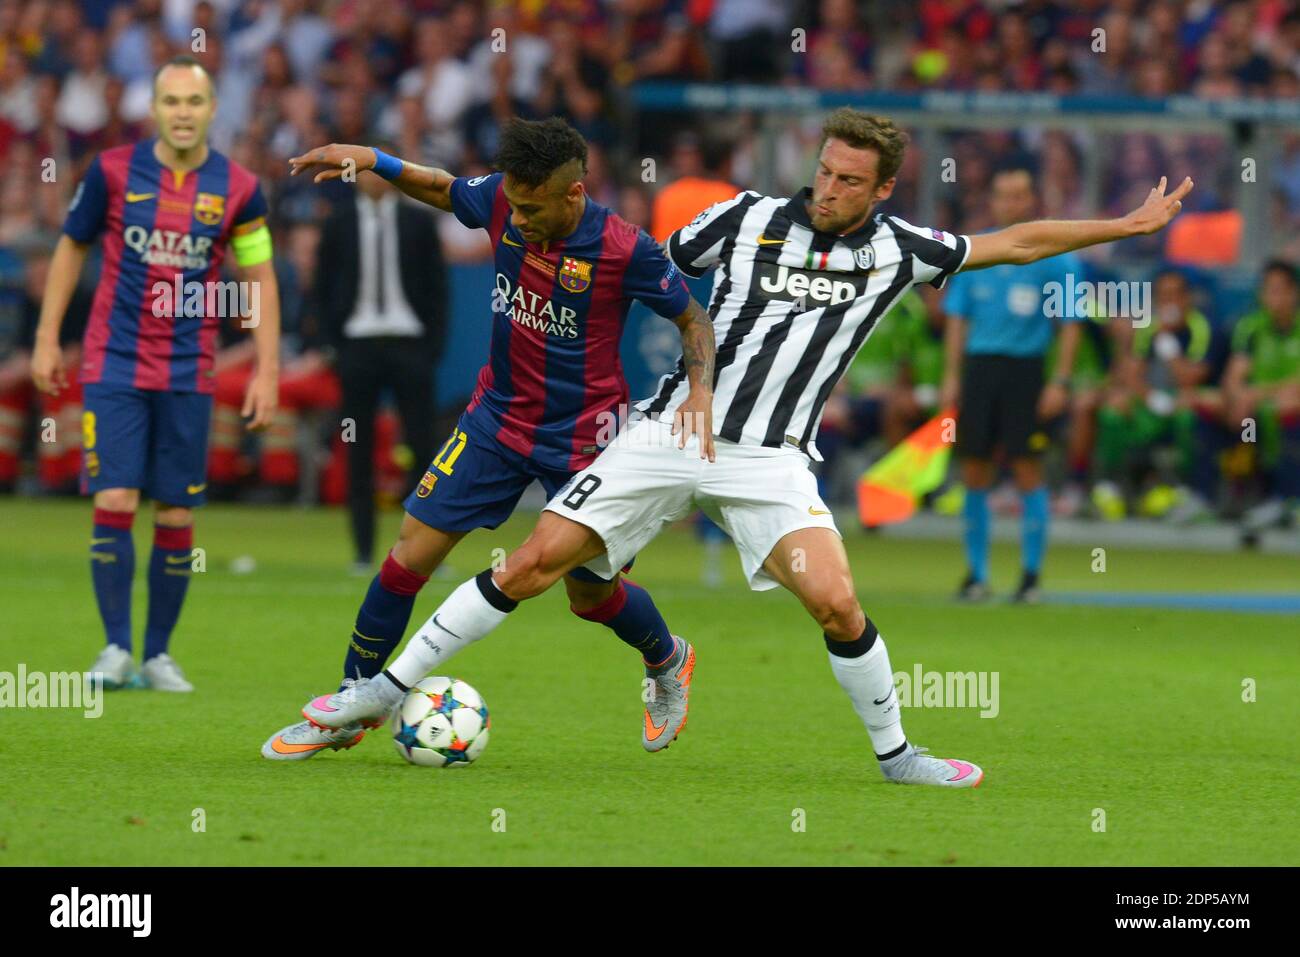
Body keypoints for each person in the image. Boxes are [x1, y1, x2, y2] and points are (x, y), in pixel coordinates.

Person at [299, 109, 1193, 789]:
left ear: (882, 190)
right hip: (667, 431)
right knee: (539, 563)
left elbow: (1016, 242)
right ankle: (382, 690)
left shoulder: (903, 249)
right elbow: (651, 270)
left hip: (772, 456)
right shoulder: (744, 218)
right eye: (824, 171)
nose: (828, 188)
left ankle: (899, 755)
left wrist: (1123, 227)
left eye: (849, 180)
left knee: (838, 603)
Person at [261, 117, 715, 760]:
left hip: (586, 439)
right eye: (515, 206)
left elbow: (692, 319)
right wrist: (377, 160)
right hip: (496, 419)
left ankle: (667, 658)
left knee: (590, 597)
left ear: (574, 195)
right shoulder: (506, 197)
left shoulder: (624, 249)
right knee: (408, 557)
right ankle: (350, 700)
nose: (519, 220)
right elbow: (448, 189)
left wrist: (700, 392)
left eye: (533, 210)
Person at [30, 55, 282, 691]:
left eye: (193, 103)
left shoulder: (241, 188)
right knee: (115, 496)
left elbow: (258, 277)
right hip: (113, 362)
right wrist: (46, 336)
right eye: (170, 102)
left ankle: (158, 654)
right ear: (155, 110)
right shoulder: (113, 171)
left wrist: (267, 368)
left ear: (212, 109)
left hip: (187, 371)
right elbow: (70, 246)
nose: (182, 113)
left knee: (174, 514)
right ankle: (115, 648)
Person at [940, 166, 1084, 605]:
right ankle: (977, 575)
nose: (1011, 203)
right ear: (993, 200)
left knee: (1027, 468)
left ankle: (1030, 577)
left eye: (1019, 195)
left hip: (1027, 370)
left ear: (1032, 200)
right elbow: (957, 320)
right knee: (975, 469)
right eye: (1003, 195)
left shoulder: (1056, 255)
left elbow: (1071, 324)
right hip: (981, 370)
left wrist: (1059, 380)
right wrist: (951, 377)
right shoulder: (977, 251)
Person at [317, 161, 446, 569]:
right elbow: (322, 285)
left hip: (409, 347)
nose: (374, 178)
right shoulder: (337, 223)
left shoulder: (419, 223)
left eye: (380, 168)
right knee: (357, 449)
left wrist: (431, 349)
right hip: (357, 349)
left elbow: (438, 287)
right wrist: (332, 346)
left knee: (423, 452)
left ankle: (424, 551)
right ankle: (363, 552)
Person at [1092, 269, 1229, 523]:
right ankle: (1110, 486)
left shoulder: (1204, 329)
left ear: (1188, 298)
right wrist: (1152, 399)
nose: (1170, 302)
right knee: (1113, 409)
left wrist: (1166, 341)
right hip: (1152, 402)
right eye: (1163, 296)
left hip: (1186, 400)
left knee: (1188, 415)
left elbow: (1189, 379)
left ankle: (1187, 490)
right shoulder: (1147, 328)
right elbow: (1131, 376)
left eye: (1176, 295)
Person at [1225, 260, 1300, 534]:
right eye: (1268, 290)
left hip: (1285, 410)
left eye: (1279, 290)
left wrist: (1257, 393)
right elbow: (1234, 379)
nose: (1273, 298)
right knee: (1245, 422)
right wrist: (1240, 397)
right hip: (1258, 412)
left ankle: (1288, 500)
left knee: (1289, 410)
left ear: (1294, 293)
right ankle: (1248, 494)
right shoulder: (1251, 327)